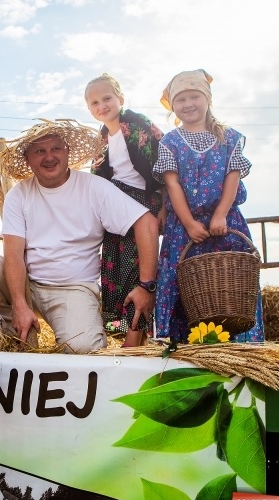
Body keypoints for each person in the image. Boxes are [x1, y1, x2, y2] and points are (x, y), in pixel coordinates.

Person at [0, 119, 159, 353]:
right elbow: (13, 254)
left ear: (68, 152)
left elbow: (147, 223)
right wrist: (20, 304)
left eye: (56, 149)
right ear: (28, 159)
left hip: (73, 288)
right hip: (26, 283)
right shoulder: (18, 194)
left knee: (83, 350)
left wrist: (146, 285)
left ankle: (33, 334)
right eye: (39, 151)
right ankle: (17, 327)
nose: (49, 157)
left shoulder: (94, 187)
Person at [153, 69, 264, 342]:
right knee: (179, 283)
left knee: (234, 283)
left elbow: (232, 177)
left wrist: (220, 215)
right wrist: (190, 223)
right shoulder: (170, 142)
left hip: (224, 223)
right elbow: (173, 185)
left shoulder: (230, 138)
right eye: (181, 99)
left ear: (208, 99)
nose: (188, 104)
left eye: (195, 96)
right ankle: (178, 346)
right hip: (184, 226)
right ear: (173, 107)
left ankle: (241, 348)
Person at [86, 73, 165, 347]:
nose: (102, 105)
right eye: (94, 102)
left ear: (120, 98)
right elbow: (97, 177)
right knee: (113, 272)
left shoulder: (138, 124)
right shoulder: (101, 138)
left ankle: (133, 339)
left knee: (137, 270)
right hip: (116, 205)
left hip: (143, 201)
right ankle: (120, 329)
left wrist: (164, 201)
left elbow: (164, 161)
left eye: (107, 98)